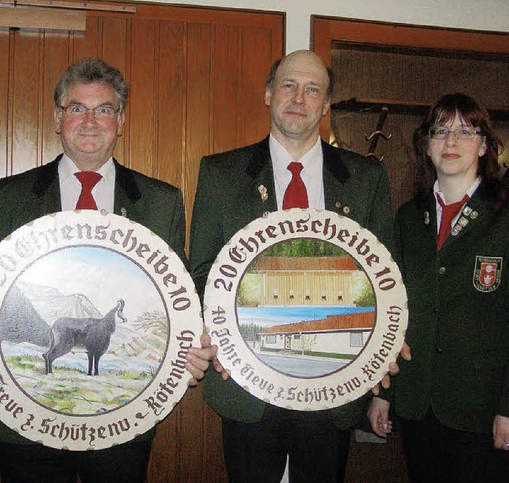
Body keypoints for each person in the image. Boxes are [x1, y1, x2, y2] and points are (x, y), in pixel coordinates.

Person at [0, 58, 212, 483]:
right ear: (58, 118)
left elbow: (179, 304)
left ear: (120, 121)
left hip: (124, 428)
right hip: (25, 423)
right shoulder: (7, 197)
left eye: (104, 109)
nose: (90, 121)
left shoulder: (161, 202)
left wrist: (193, 346)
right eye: (76, 108)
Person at [189, 50, 397, 482]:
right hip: (246, 383)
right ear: (268, 94)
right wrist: (223, 337)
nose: (298, 98)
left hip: (334, 385)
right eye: (288, 85)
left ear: (325, 105)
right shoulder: (220, 173)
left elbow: (385, 280)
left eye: (312, 89)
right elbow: (203, 271)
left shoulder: (366, 179)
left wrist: (385, 340)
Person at [368, 93, 509, 481]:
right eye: (440, 131)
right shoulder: (409, 218)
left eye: (465, 132)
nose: (450, 142)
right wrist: (383, 393)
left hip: (482, 408)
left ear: (483, 145)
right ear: (426, 145)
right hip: (418, 401)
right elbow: (392, 308)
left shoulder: (504, 218)